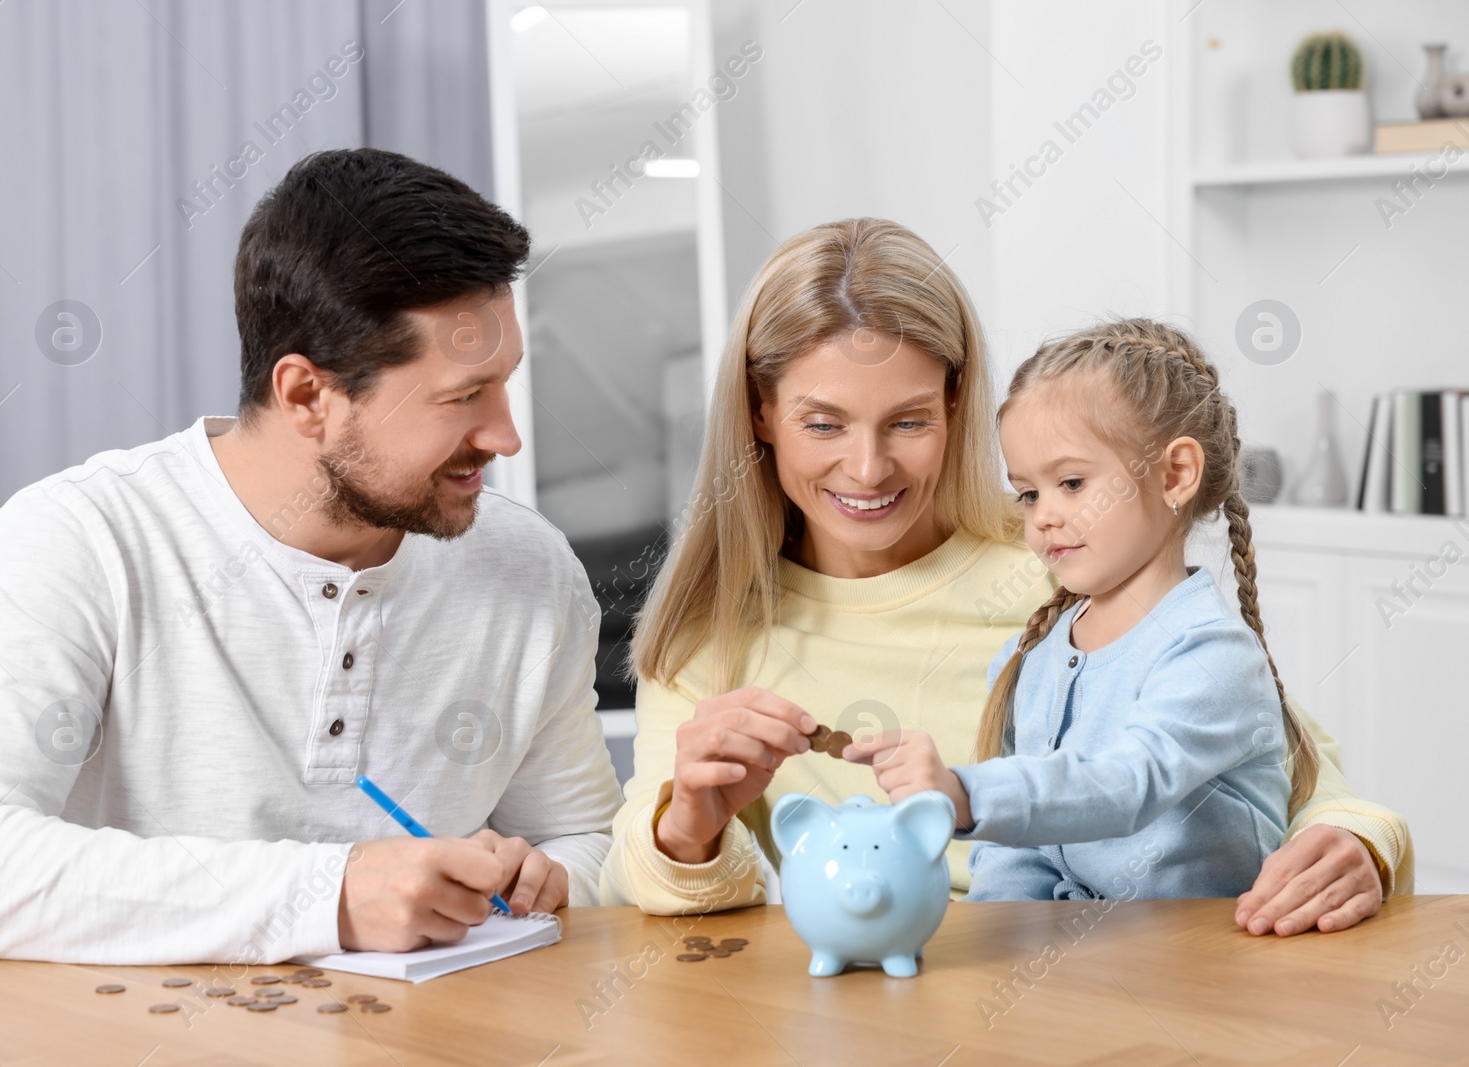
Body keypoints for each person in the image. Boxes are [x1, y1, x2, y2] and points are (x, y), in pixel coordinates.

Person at [0, 149, 623, 964]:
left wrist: (545, 875)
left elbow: (582, 837)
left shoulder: (529, 565)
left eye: (504, 382)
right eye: (461, 397)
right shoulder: (79, 539)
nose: (504, 436)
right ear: (306, 394)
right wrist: (329, 895)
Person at [600, 218, 1411, 935]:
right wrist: (690, 825)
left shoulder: (1066, 571)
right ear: (758, 413)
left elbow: (1300, 770)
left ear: (956, 405)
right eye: (823, 423)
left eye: (909, 420)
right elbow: (632, 883)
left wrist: (1356, 843)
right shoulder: (709, 636)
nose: (868, 465)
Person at [861, 318, 1305, 900]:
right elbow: (1019, 851)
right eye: (1028, 493)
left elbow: (1127, 786)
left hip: (1207, 968)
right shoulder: (1032, 658)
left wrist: (967, 795)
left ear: (1176, 474)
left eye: (1071, 482)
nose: (1042, 515)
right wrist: (1006, 952)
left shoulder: (1211, 654)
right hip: (1082, 968)